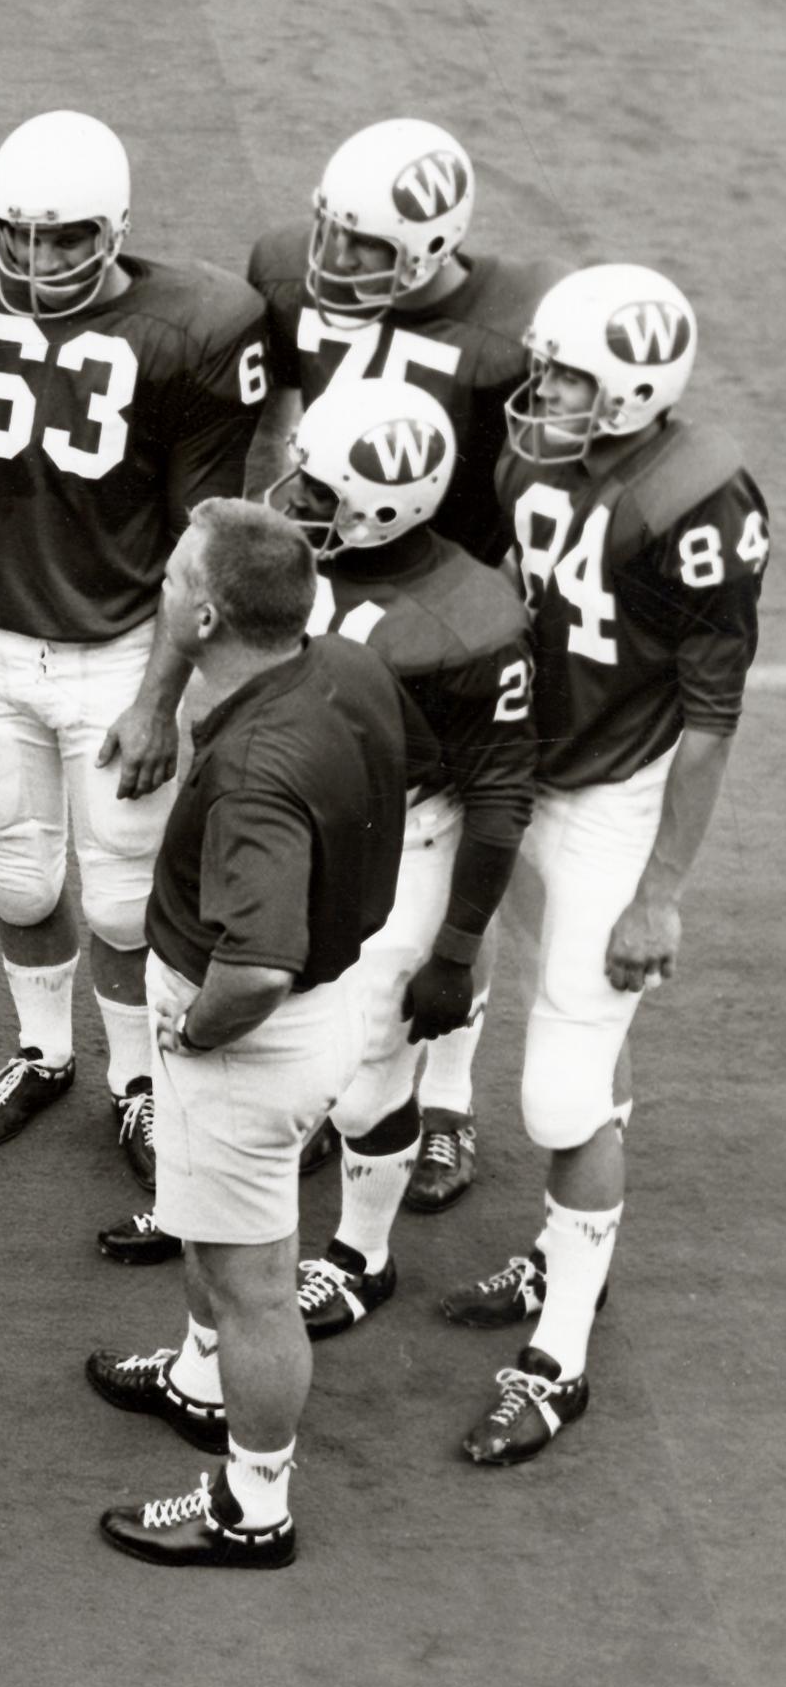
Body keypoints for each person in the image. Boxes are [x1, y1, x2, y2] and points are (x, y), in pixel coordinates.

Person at [0, 111, 266, 1181]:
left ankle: (137, 1082)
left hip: (118, 650)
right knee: (18, 878)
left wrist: (160, 697)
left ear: (116, 230)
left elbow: (202, 542)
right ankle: (41, 1050)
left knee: (119, 896)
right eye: (16, 235)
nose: (38, 259)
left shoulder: (196, 327)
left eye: (66, 238)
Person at [448, 266, 765, 1464]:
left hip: (610, 796)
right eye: (543, 367)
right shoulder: (530, 452)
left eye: (571, 377)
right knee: (568, 1023)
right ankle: (559, 1248)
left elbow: (707, 716)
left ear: (634, 389)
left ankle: (559, 1355)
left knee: (556, 1090)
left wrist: (660, 890)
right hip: (525, 767)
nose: (543, 393)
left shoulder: (696, 496)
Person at [246, 119, 571, 1211]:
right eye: (328, 236)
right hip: (336, 571)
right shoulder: (283, 271)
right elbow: (280, 419)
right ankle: (350, 1085)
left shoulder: (512, 321)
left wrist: (494, 608)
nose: (332, 266)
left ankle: (444, 1100)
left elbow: (537, 479)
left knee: (440, 888)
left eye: (365, 250)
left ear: (434, 246)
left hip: (448, 593)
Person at [86, 500, 408, 1569]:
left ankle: (250, 1504)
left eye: (176, 575)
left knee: (253, 1282)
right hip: (328, 1004)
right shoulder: (343, 670)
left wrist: (188, 1034)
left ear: (210, 614)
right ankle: (194, 1380)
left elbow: (257, 965)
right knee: (217, 1250)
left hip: (250, 1045)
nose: (162, 584)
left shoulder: (253, 769)